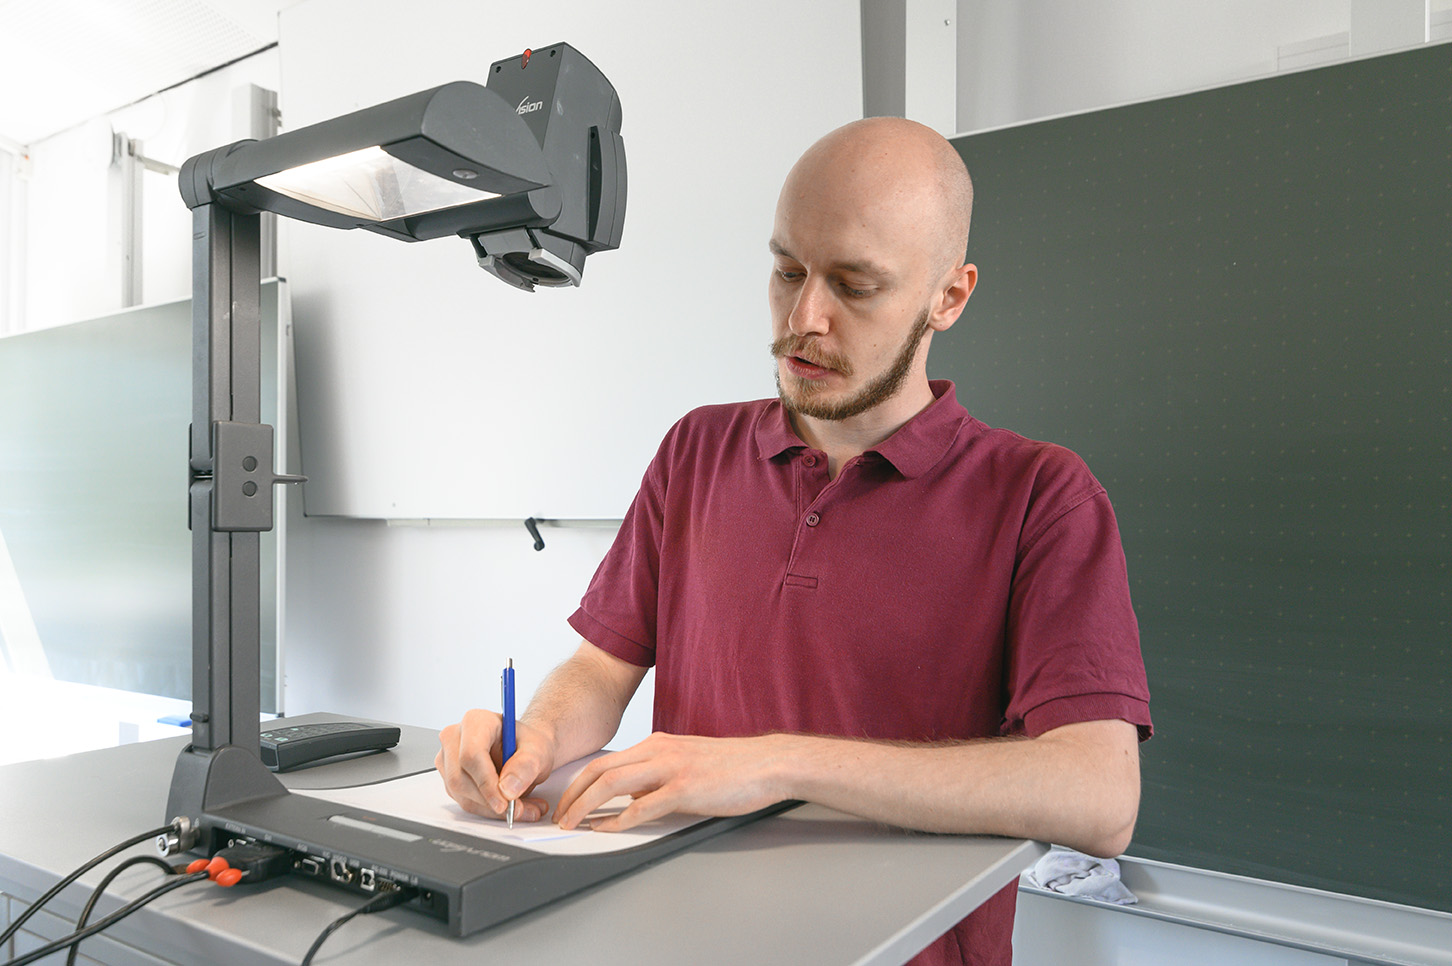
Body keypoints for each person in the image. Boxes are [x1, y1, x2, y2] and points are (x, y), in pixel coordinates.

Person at [436, 116, 1152, 966]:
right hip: (675, 942)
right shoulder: (695, 450)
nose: (805, 318)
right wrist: (538, 737)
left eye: (855, 285)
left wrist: (776, 765)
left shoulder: (1042, 496)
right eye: (786, 271)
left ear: (948, 298)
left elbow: (1099, 794)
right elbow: (601, 667)